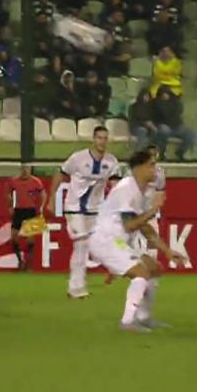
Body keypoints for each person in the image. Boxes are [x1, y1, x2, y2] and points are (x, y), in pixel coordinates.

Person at [89, 149, 185, 332]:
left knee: (154, 268)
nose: (155, 169)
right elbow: (130, 225)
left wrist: (166, 251)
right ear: (138, 168)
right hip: (106, 240)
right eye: (151, 165)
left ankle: (144, 317)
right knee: (141, 273)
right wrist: (153, 210)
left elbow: (144, 226)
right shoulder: (126, 189)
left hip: (119, 241)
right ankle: (127, 322)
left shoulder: (142, 191)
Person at [47, 126, 121, 299]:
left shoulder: (111, 162)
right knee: (81, 245)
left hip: (96, 211)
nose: (102, 141)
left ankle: (110, 270)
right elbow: (60, 175)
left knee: (96, 245)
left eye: (105, 138)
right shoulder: (78, 158)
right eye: (99, 138)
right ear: (93, 139)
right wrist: (51, 199)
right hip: (74, 208)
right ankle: (76, 289)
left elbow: (115, 185)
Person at [8, 165, 46, 271]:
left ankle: (28, 263)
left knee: (30, 238)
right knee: (14, 237)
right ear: (20, 170)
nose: (25, 171)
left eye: (27, 169)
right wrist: (10, 206)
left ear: (30, 170)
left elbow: (43, 194)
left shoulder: (36, 181)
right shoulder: (14, 181)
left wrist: (41, 206)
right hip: (19, 211)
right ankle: (20, 261)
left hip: (31, 211)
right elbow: (9, 193)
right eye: (23, 169)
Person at [153, 85, 195, 160]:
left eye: (166, 93)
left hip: (177, 126)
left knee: (190, 134)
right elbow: (163, 114)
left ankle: (180, 151)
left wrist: (177, 100)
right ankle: (162, 152)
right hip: (164, 125)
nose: (165, 95)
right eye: (163, 93)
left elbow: (179, 111)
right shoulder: (156, 102)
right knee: (163, 131)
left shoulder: (175, 101)